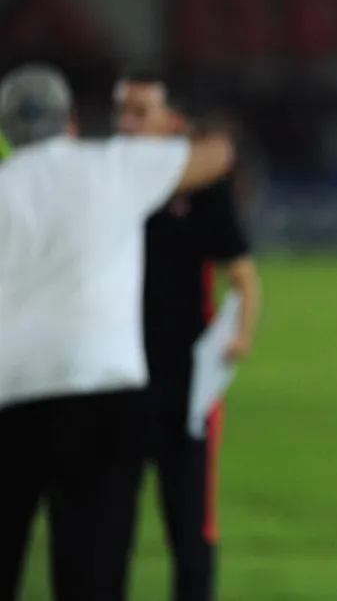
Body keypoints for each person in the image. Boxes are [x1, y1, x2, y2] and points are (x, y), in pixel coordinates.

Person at [0, 64, 234, 601]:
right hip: (99, 390)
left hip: (9, 392)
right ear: (71, 120)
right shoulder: (113, 166)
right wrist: (171, 127)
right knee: (91, 570)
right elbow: (217, 155)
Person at [113, 72, 262, 601]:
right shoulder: (105, 181)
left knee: (190, 522)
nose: (126, 123)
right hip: (112, 376)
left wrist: (239, 334)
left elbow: (243, 275)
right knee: (106, 524)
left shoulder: (200, 189)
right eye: (122, 111)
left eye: (140, 112)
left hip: (184, 381)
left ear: (172, 120)